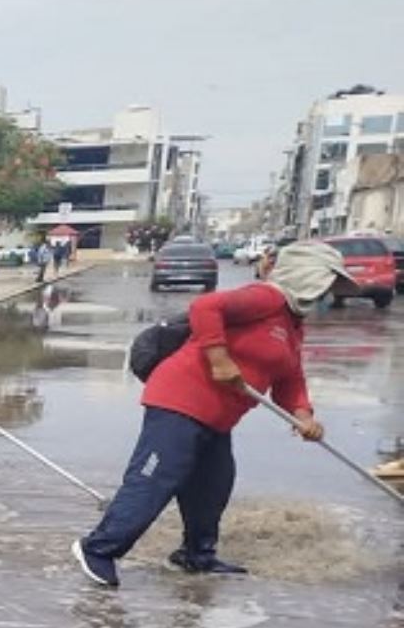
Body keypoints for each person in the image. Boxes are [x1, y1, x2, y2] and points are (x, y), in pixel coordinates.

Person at [73, 241, 357, 588]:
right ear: (309, 276)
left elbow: (289, 378)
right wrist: (219, 358)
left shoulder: (293, 324)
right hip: (181, 400)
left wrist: (303, 415)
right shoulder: (267, 299)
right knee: (155, 479)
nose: (330, 292)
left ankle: (196, 556)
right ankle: (99, 550)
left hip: (217, 418)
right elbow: (206, 307)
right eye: (329, 283)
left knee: (212, 486)